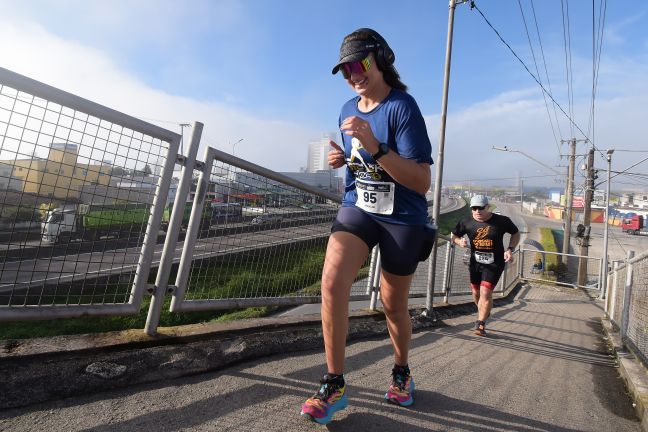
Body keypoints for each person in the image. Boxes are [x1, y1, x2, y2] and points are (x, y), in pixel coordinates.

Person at [299, 28, 434, 424]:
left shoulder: (403, 107)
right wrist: (348, 159)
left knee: (393, 305)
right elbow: (362, 170)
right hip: (359, 207)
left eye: (359, 64)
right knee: (332, 282)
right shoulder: (345, 109)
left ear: (381, 59)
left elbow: (421, 181)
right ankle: (335, 382)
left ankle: (401, 370)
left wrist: (375, 147)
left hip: (403, 217)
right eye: (345, 70)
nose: (353, 74)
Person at [450, 195, 520, 336]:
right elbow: (454, 235)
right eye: (474, 208)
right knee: (476, 292)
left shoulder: (501, 221)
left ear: (488, 207)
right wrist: (459, 242)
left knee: (486, 292)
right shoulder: (466, 222)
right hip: (475, 262)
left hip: (494, 263)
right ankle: (484, 311)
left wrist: (510, 249)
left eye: (481, 208)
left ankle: (480, 324)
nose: (477, 211)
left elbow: (516, 233)